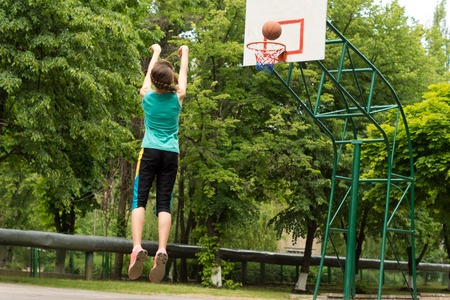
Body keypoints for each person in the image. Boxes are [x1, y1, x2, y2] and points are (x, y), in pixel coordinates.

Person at [128, 44, 189, 282]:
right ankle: (162, 249)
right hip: (170, 154)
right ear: (171, 81)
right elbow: (182, 81)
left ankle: (137, 248)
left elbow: (148, 80)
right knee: (164, 202)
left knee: (139, 199)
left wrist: (156, 53)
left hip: (150, 152)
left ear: (153, 80)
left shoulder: (147, 96)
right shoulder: (178, 98)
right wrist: (186, 54)